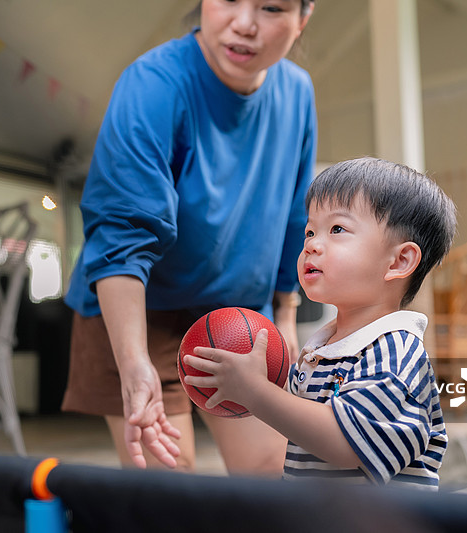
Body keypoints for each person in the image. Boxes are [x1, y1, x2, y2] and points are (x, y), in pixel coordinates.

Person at [62, 0, 316, 474]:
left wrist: (285, 312)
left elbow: (294, 212)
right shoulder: (154, 83)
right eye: (227, 0)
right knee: (172, 487)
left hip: (235, 313)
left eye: (271, 8)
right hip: (138, 310)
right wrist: (133, 363)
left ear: (303, 18)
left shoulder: (297, 92)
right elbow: (121, 235)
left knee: (276, 476)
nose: (244, 24)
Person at [183, 157, 457, 488]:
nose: (311, 244)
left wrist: (255, 392)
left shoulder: (396, 355)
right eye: (310, 230)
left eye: (337, 229)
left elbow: (343, 444)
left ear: (399, 261)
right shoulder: (321, 348)